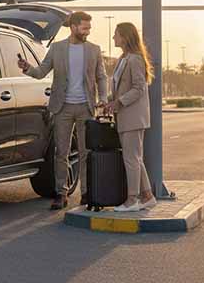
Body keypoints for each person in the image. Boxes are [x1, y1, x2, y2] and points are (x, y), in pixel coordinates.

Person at [18, 11, 108, 210]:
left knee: (86, 152)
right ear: (73, 27)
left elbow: (101, 76)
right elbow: (41, 72)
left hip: (86, 107)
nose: (88, 31)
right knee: (61, 152)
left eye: (89, 28)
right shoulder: (57, 48)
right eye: (85, 27)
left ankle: (86, 193)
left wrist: (103, 98)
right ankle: (61, 193)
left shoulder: (94, 49)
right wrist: (27, 68)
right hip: (62, 107)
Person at [103, 22, 157, 212]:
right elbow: (121, 88)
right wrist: (109, 101)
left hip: (133, 117)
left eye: (116, 34)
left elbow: (139, 88)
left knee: (131, 159)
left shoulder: (135, 59)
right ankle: (148, 196)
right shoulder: (123, 58)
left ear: (125, 37)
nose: (113, 38)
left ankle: (132, 200)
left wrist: (118, 103)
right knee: (135, 158)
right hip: (125, 116)